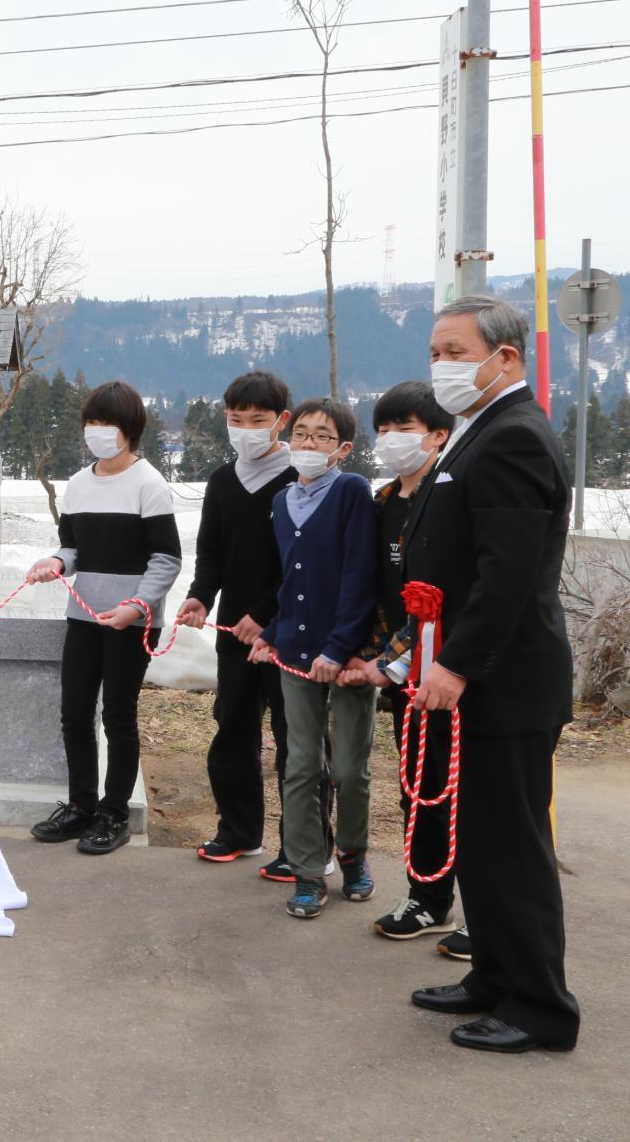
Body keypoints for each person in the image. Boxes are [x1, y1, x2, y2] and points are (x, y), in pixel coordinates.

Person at [402, 295, 579, 1054]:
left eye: (453, 349)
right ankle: (496, 976)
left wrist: (456, 662)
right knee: (480, 841)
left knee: (513, 846)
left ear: (504, 357)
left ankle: (540, 1006)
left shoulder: (513, 438)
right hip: (480, 681)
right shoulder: (485, 431)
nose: (440, 365)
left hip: (502, 682)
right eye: (435, 351)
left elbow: (505, 576)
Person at [176, 371, 336, 880]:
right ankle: (238, 831)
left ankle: (307, 845)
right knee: (233, 726)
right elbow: (213, 550)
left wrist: (266, 614)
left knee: (298, 736)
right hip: (234, 633)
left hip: (293, 629)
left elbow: (306, 562)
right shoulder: (224, 480)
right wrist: (201, 596)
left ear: (282, 422)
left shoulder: (302, 479)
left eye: (258, 420)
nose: (245, 429)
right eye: (235, 419)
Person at [24, 380, 182, 856]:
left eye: (107, 424)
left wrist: (138, 604)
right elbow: (72, 548)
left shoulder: (149, 484)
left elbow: (167, 559)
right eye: (91, 423)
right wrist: (56, 563)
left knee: (118, 715)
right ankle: (80, 805)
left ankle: (114, 812)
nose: (97, 432)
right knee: (74, 713)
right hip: (84, 616)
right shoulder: (77, 484)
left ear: (130, 430)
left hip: (131, 622)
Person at [348, 381, 467, 943]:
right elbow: (377, 591)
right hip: (402, 673)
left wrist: (390, 661)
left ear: (439, 436)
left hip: (450, 671)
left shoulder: (450, 500)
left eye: (406, 429)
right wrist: (368, 653)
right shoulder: (380, 501)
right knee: (417, 784)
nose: (392, 439)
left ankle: (488, 913)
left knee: (463, 789)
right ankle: (428, 898)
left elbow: (444, 596)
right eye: (385, 428)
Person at [251, 398, 378, 920]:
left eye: (322, 436)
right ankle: (308, 868)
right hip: (295, 654)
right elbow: (291, 582)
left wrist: (339, 647)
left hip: (346, 659)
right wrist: (272, 634)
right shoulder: (282, 501)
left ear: (343, 448)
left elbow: (359, 576)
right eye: (300, 433)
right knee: (300, 765)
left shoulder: (351, 490)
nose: (307, 443)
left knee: (349, 768)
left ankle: (352, 854)